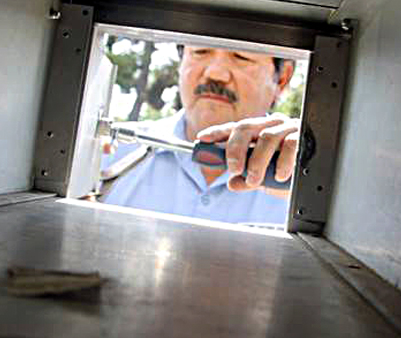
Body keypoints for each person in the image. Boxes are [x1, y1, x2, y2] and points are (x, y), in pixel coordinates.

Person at [99, 44, 300, 225]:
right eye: (200, 51)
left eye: (241, 56)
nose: (215, 73)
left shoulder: (304, 181)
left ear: (282, 78)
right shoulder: (107, 152)